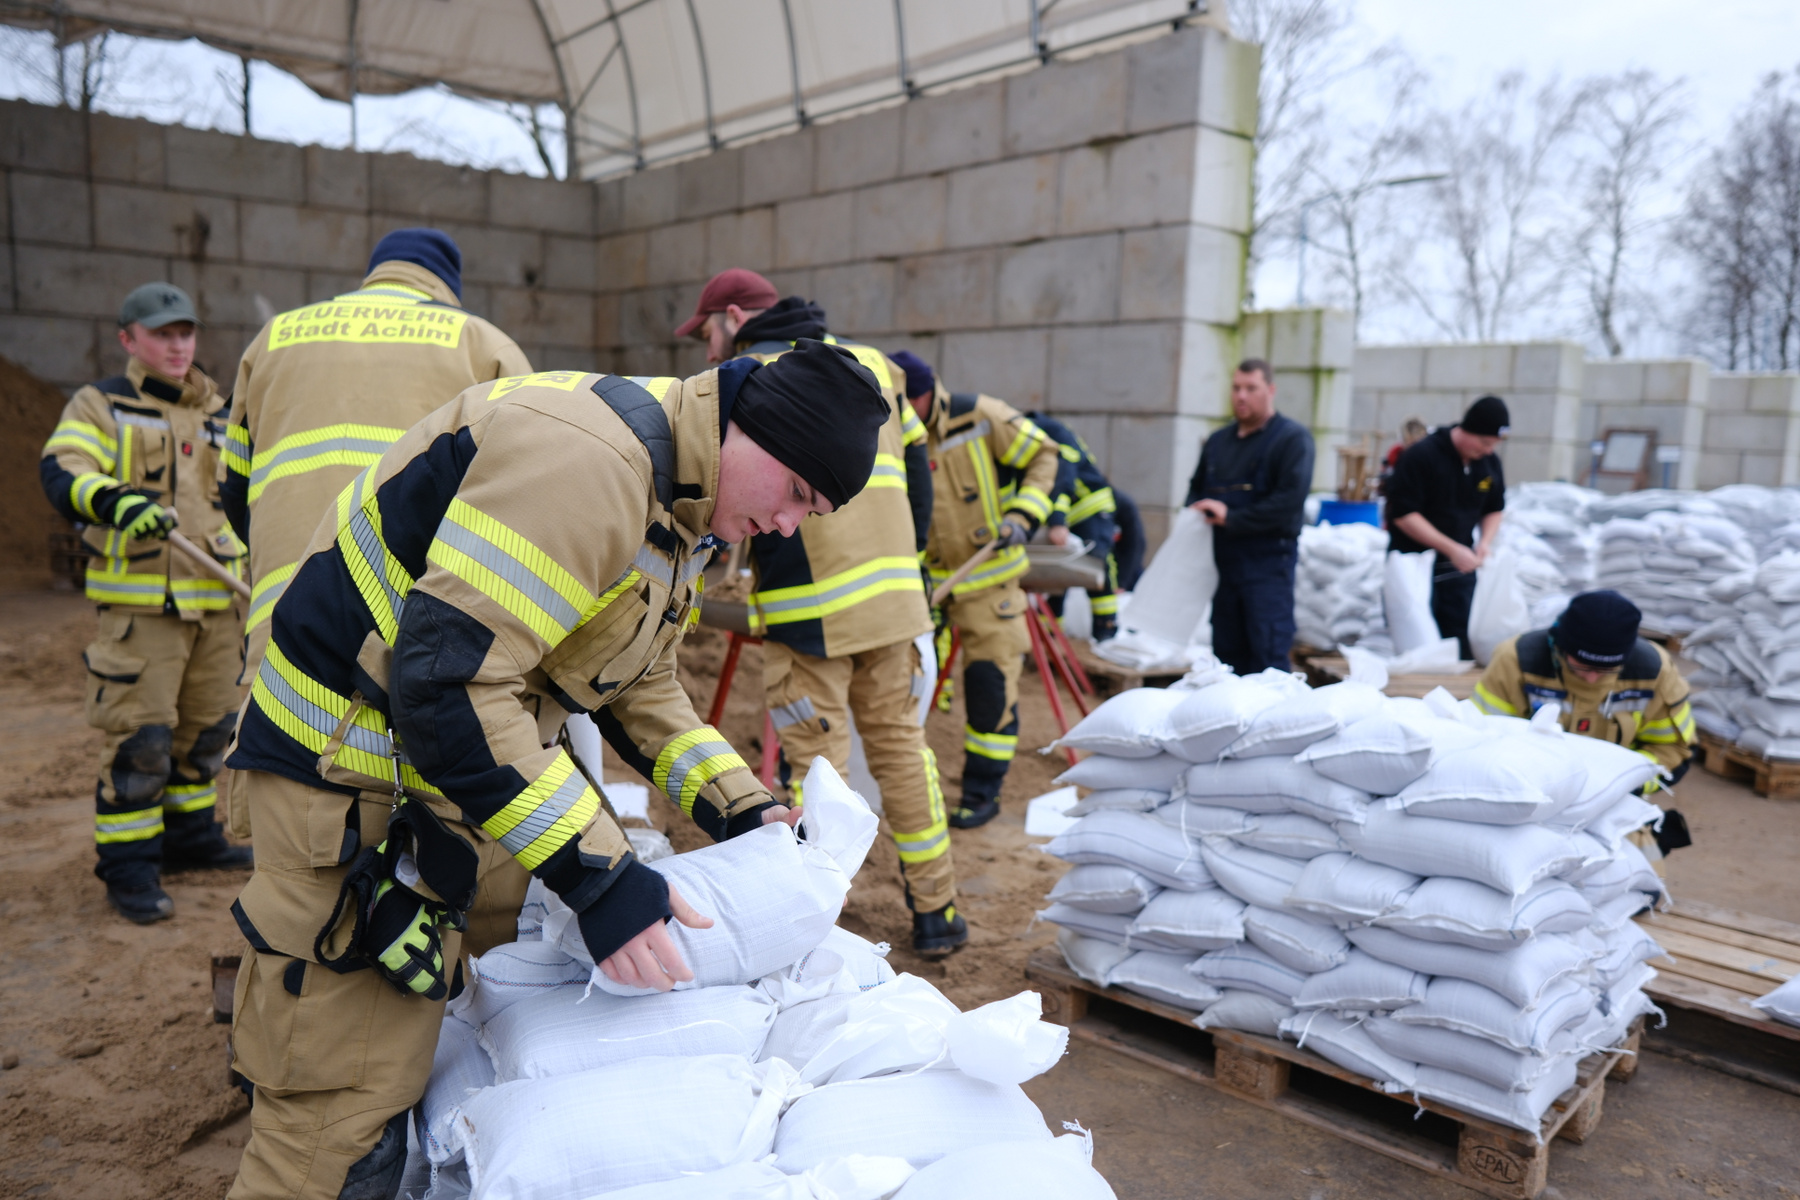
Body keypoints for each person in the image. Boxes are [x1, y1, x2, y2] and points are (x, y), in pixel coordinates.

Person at [224, 342, 889, 1199]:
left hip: (453, 781)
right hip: (348, 780)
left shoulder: (679, 504)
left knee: (471, 1023)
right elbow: (448, 682)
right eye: (797, 493)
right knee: (338, 1110)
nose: (790, 526)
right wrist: (601, 879)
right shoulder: (592, 463)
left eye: (815, 511)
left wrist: (740, 806)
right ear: (750, 431)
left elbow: (636, 680)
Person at [675, 270, 964, 958]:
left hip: (811, 617)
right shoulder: (876, 366)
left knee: (818, 771)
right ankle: (940, 912)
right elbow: (921, 470)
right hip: (896, 605)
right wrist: (906, 562)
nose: (709, 349)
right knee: (901, 752)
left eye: (708, 332)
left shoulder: (750, 376)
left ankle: (812, 925)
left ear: (736, 317)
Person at [222, 228, 531, 674]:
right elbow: (517, 502)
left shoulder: (274, 338)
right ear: (446, 287)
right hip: (412, 624)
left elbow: (234, 485)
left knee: (277, 740)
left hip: (285, 609)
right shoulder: (482, 344)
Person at [39, 282, 252, 924]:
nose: (177, 345)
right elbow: (63, 467)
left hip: (219, 605)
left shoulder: (225, 411)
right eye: (162, 334)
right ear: (130, 339)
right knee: (141, 740)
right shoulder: (102, 404)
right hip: (144, 609)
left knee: (206, 733)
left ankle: (191, 839)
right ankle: (130, 866)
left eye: (185, 332)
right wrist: (113, 500)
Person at [895, 353, 1060, 830]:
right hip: (928, 590)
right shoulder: (890, 433)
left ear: (928, 394)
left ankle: (981, 792)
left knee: (990, 688)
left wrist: (1023, 515)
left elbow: (1045, 454)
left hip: (991, 582)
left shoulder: (980, 415)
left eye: (910, 403)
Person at [1472, 590, 1697, 863]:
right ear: (1561, 646)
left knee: (1632, 870)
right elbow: (1480, 739)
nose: (1591, 679)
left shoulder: (1653, 670)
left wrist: (1618, 786)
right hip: (1524, 797)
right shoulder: (1517, 660)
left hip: (1612, 803)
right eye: (1581, 666)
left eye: (1604, 670)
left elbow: (1672, 751)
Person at [1184, 359, 1315, 675]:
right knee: (1227, 656)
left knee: (1267, 655)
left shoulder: (1292, 440)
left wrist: (1232, 517)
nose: (1241, 396)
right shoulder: (1218, 442)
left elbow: (1288, 503)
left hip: (1268, 567)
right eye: (1236, 388)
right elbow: (1195, 489)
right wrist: (1194, 511)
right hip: (1224, 567)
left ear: (1270, 390)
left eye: (1251, 388)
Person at [1385, 396, 1509, 659]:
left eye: (1493, 445)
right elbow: (1404, 513)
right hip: (1414, 567)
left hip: (1459, 572)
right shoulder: (1422, 456)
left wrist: (1485, 542)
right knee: (1420, 647)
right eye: (1484, 442)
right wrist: (1451, 548)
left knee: (1460, 645)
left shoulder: (1488, 464)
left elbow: (1494, 508)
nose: (1488, 450)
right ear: (1466, 429)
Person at [1024, 410, 1127, 642]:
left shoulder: (1053, 432)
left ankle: (1105, 634)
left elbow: (1062, 481)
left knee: (1097, 570)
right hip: (1067, 512)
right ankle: (1049, 639)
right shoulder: (1039, 433)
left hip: (1090, 509)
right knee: (1057, 578)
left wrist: (1057, 522)